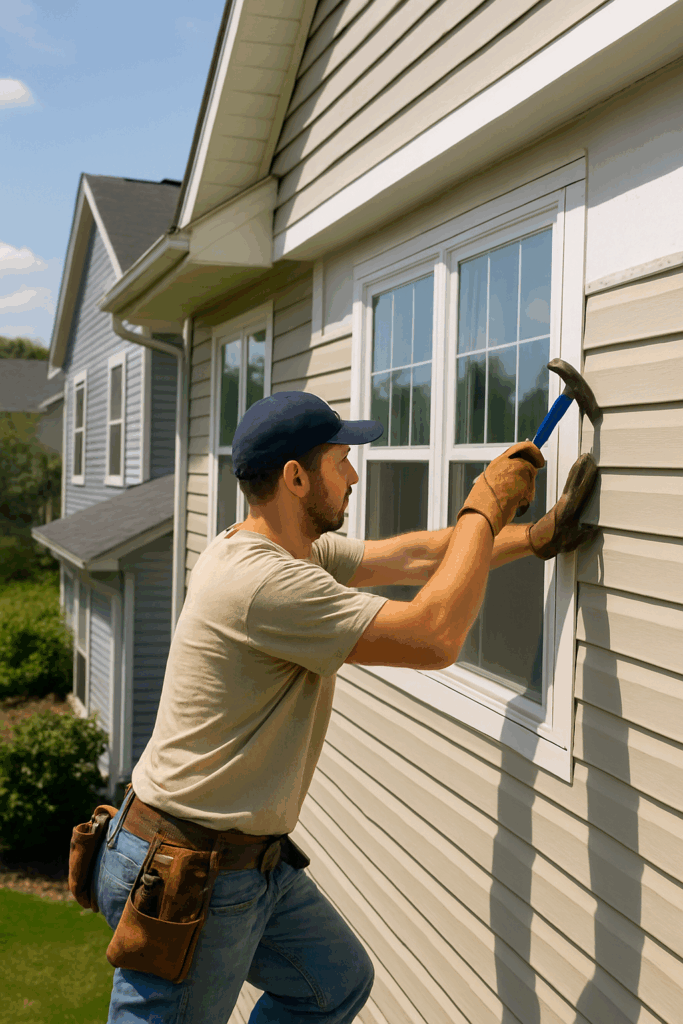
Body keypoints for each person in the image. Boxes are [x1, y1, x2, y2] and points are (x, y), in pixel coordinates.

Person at [92, 391, 598, 1024]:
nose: (355, 474)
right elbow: (433, 634)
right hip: (192, 871)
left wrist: (532, 535)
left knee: (331, 983)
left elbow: (416, 557)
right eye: (342, 461)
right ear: (295, 477)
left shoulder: (284, 551)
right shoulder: (266, 583)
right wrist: (484, 504)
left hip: (239, 859)